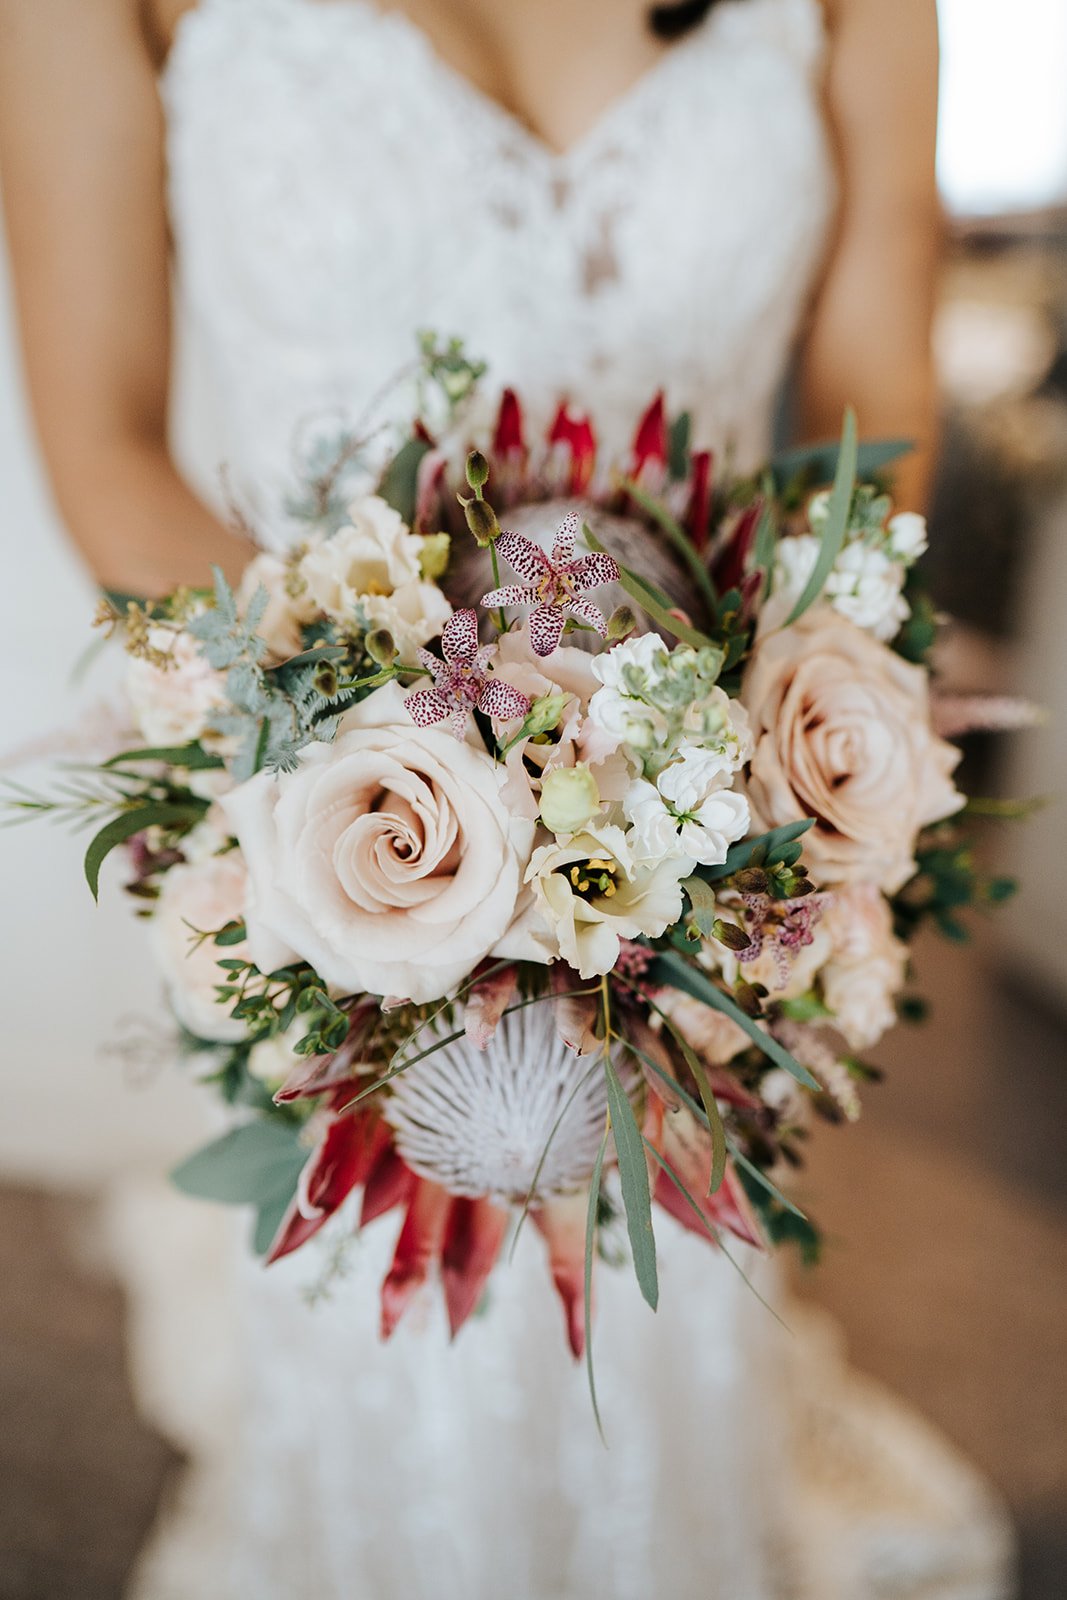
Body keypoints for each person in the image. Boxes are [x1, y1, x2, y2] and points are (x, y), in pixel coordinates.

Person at [0, 3, 1012, 1597]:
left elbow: (870, 405)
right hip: (348, 821)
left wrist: (719, 769)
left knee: (664, 1288)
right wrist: (374, 759)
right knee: (376, 1321)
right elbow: (102, 432)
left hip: (702, 821)